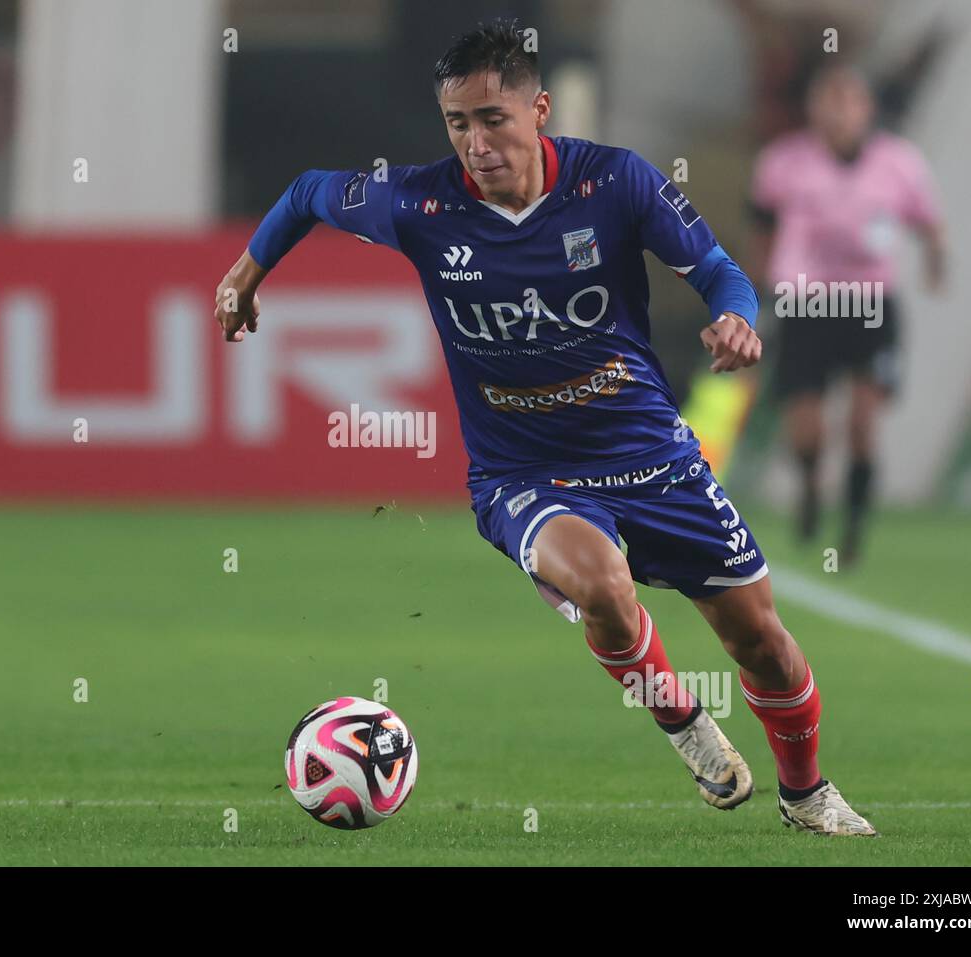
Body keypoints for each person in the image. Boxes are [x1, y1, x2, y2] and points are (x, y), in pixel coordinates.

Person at [216, 20, 876, 835]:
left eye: (493, 118)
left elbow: (717, 271)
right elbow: (308, 190)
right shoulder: (421, 203)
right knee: (602, 583)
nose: (476, 142)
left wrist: (737, 318)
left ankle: (807, 794)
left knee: (764, 644)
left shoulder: (617, 184)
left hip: (652, 454)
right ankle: (684, 724)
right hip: (524, 475)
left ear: (540, 110)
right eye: (457, 122)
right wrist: (247, 275)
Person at [752, 64, 945, 564]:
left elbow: (929, 223)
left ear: (867, 108)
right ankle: (812, 484)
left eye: (848, 99)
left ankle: (855, 523)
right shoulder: (784, 162)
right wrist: (755, 287)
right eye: (827, 99)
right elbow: (763, 226)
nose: (837, 110)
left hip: (870, 305)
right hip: (808, 303)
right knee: (807, 424)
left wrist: (936, 265)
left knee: (863, 419)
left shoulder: (899, 163)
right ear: (813, 108)